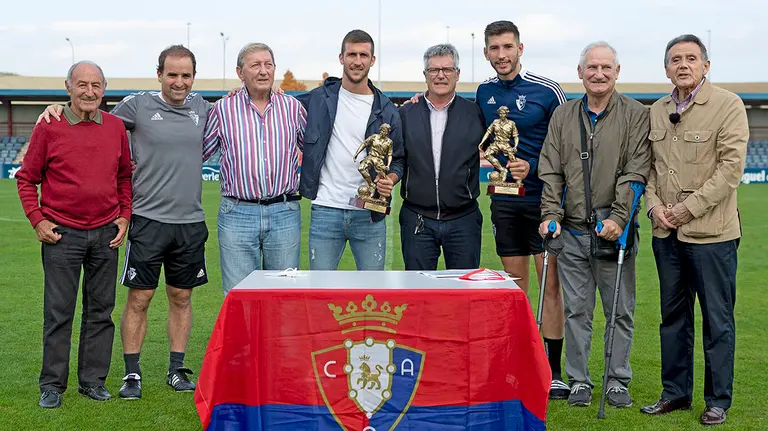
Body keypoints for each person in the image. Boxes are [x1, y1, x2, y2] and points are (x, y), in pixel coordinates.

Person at [38, 45, 212, 400]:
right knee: (139, 299)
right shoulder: (136, 106)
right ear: (159, 74)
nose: (179, 82)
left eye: (186, 75)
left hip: (191, 221)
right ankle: (131, 374)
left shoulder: (205, 108)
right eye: (172, 74)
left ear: (194, 77)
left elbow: (244, 105)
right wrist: (57, 106)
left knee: (181, 296)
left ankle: (176, 368)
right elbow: (93, 118)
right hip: (147, 219)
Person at [640, 34, 748, 426]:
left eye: (690, 58)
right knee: (672, 318)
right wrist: (654, 207)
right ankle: (675, 394)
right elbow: (648, 169)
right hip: (665, 234)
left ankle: (718, 399)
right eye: (675, 59)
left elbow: (731, 168)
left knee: (717, 320)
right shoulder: (656, 110)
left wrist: (687, 209)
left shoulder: (727, 105)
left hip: (713, 235)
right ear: (665, 68)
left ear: (706, 65)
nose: (682, 65)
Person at [538, 42, 651, 408]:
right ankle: (579, 381)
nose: (599, 74)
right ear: (580, 72)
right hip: (570, 233)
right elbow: (551, 171)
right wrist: (550, 214)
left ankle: (617, 381)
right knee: (576, 311)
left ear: (617, 71)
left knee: (619, 310)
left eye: (606, 68)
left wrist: (619, 218)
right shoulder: (563, 115)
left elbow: (636, 171)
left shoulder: (635, 113)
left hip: (613, 235)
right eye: (592, 68)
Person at [16, 61, 132, 408]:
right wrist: (37, 219)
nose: (89, 91)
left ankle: (93, 381)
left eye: (96, 85)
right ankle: (51, 385)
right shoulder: (49, 126)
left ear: (104, 89)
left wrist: (124, 216)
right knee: (58, 313)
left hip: (105, 235)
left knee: (101, 312)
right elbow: (26, 178)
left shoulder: (114, 127)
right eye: (82, 84)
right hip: (61, 236)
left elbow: (124, 178)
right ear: (68, 87)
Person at [477, 20, 569, 400]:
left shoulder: (547, 91)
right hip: (505, 201)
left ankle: (554, 370)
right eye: (495, 48)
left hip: (544, 201)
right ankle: (518, 363)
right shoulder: (483, 92)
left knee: (551, 285)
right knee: (513, 289)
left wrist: (533, 165)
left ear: (520, 49)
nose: (502, 55)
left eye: (508, 47)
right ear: (486, 53)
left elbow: (567, 142)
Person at [203, 43, 306, 293]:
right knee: (239, 297)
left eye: (268, 65)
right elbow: (197, 153)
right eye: (255, 65)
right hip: (237, 213)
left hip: (284, 212)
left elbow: (317, 149)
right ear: (240, 72)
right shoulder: (223, 109)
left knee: (283, 296)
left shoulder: (293, 108)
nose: (263, 71)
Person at [297, 29, 403, 270]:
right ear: (341, 58)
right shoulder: (317, 99)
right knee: (320, 291)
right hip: (326, 209)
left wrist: (392, 179)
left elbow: (398, 160)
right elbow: (276, 103)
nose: (357, 61)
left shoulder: (387, 110)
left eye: (363, 55)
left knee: (372, 293)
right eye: (352, 54)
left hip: (369, 213)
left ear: (372, 60)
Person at [398, 43, 485, 270]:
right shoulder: (406, 114)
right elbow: (396, 157)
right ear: (425, 75)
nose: (440, 75)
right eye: (433, 70)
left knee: (462, 296)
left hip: (463, 220)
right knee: (419, 296)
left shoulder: (475, 112)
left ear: (457, 74)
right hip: (417, 219)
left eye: (447, 69)